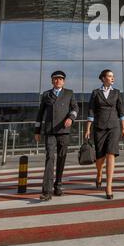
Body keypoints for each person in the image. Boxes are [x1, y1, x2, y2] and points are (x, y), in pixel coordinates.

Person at [34, 71, 79, 201]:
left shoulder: (69, 93)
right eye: (55, 79)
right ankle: (46, 191)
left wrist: (71, 118)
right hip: (50, 132)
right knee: (49, 158)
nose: (57, 81)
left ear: (63, 81)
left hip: (64, 131)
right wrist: (37, 131)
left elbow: (76, 108)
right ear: (52, 81)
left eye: (60, 79)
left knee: (61, 159)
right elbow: (40, 114)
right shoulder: (46, 94)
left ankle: (58, 185)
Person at [85, 69, 124, 199]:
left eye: (113, 76)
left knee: (111, 154)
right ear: (103, 78)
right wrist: (87, 129)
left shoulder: (117, 93)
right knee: (100, 157)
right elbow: (91, 112)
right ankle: (98, 172)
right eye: (109, 76)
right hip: (99, 127)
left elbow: (121, 112)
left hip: (114, 127)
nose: (112, 78)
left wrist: (123, 128)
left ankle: (109, 186)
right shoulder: (96, 93)